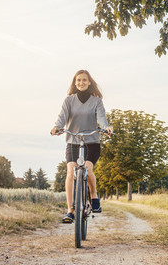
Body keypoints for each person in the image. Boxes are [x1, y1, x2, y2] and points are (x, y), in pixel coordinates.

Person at [51, 69, 113, 224]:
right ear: (75, 82)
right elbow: (62, 117)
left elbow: (101, 117)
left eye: (84, 80)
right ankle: (70, 211)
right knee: (70, 172)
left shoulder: (96, 101)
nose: (81, 83)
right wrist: (57, 127)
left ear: (89, 82)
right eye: (78, 80)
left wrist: (106, 127)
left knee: (87, 168)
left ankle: (93, 195)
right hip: (73, 141)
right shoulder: (69, 101)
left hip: (91, 142)